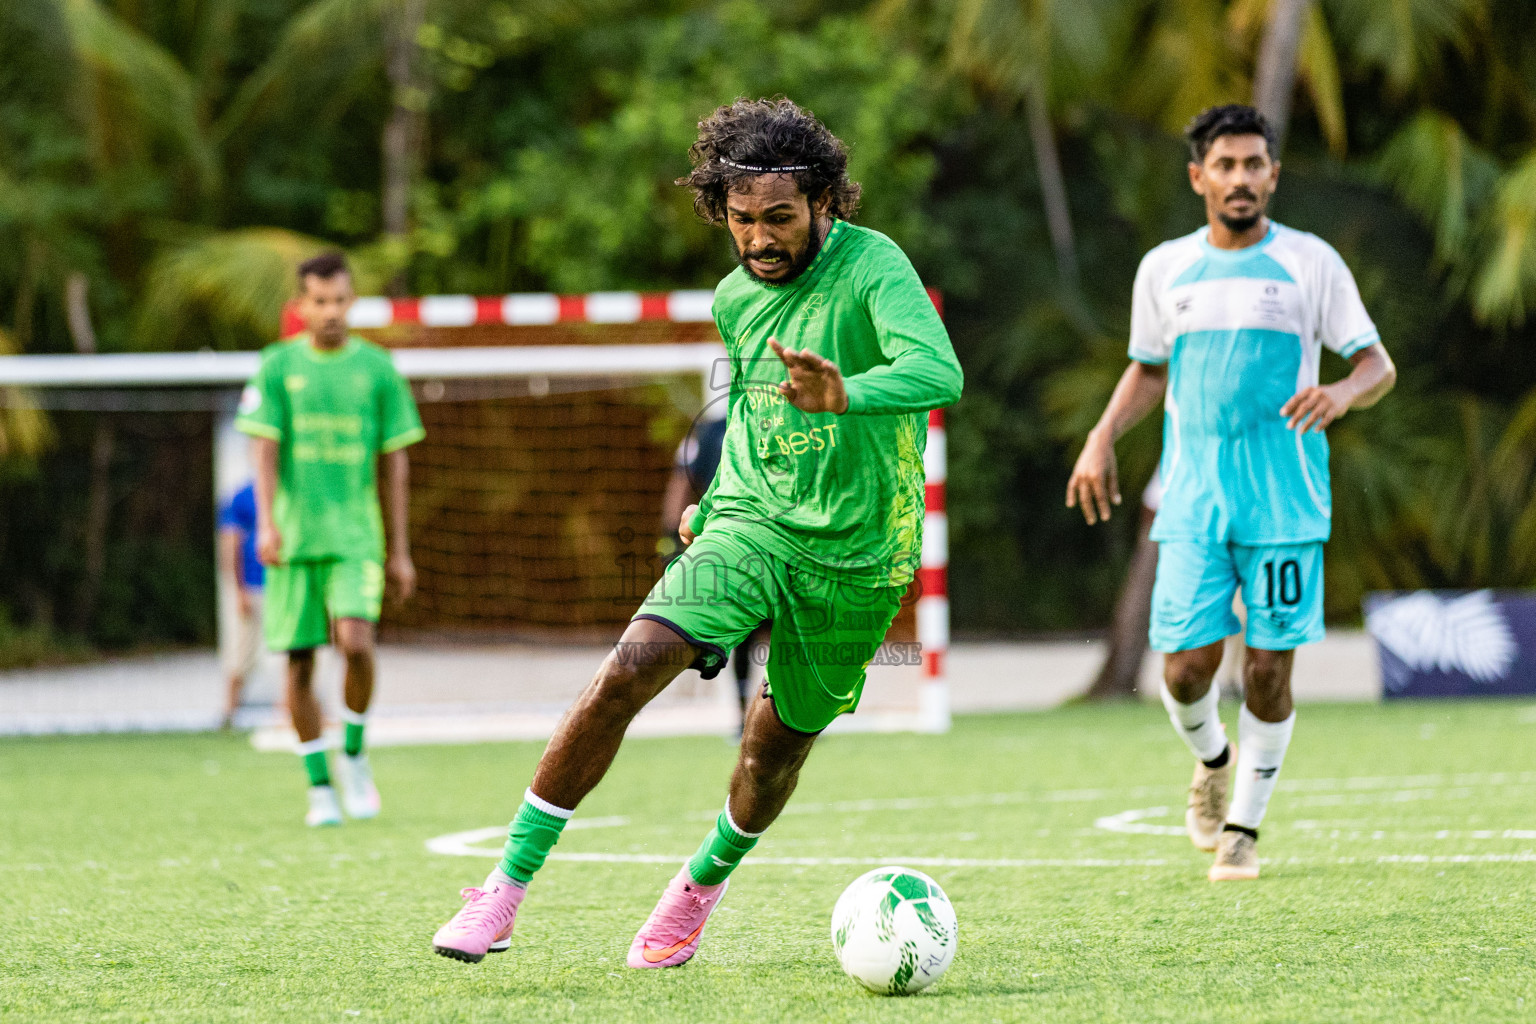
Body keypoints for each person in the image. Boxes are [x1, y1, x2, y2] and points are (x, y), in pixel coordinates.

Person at [430, 97, 963, 966]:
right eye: (742, 220)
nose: (760, 239)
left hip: (861, 556)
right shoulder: (734, 299)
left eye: (780, 219)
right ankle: (502, 893)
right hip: (750, 527)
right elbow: (752, 418)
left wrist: (846, 393)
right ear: (721, 211)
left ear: (825, 202)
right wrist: (712, 509)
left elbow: (937, 369)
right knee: (624, 672)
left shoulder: (875, 268)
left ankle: (699, 886)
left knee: (770, 756)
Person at [1065, 104, 1396, 881]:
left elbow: (1376, 365)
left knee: (1267, 673)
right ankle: (1213, 760)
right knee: (1183, 670)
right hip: (1191, 497)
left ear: (1274, 176)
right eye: (1226, 165)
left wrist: (1344, 395)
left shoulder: (1312, 263)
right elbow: (1149, 368)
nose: (1241, 178)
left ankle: (1243, 827)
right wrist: (1101, 436)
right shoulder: (1165, 268)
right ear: (1198, 178)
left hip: (1285, 500)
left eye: (1255, 165)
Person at [234, 251, 425, 827]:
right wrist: (266, 525)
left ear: (352, 301)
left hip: (357, 537)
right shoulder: (275, 366)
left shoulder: (378, 369)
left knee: (356, 643)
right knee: (297, 665)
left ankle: (355, 752)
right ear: (302, 306)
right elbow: (263, 451)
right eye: (319, 301)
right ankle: (320, 788)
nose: (331, 311)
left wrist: (400, 550)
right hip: (293, 540)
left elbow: (396, 465)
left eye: (340, 300)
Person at [658, 401, 771, 739]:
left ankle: (776, 718)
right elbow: (682, 480)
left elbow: (680, 482)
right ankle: (746, 717)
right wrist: (670, 540)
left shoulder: (778, 423)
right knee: (751, 637)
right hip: (731, 544)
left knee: (775, 634)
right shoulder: (711, 430)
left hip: (765, 541)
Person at [217, 481, 265, 730]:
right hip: (254, 585)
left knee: (295, 652)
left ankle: (294, 713)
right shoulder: (243, 495)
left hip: (286, 584)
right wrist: (238, 590)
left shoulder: (292, 488)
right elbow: (230, 543)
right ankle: (229, 710)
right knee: (244, 650)